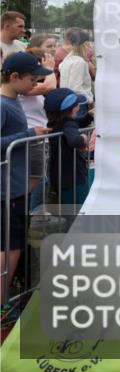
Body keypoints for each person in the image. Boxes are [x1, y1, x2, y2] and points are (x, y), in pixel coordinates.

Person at [1, 52, 52, 319]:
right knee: (9, 247)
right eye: (32, 79)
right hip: (6, 189)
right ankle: (2, 305)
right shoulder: (2, 105)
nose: (35, 84)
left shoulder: (12, 101)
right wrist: (28, 135)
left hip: (15, 187)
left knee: (13, 245)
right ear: (14, 77)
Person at [20, 47, 57, 210]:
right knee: (38, 179)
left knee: (41, 179)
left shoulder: (31, 86)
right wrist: (49, 70)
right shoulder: (23, 88)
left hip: (38, 139)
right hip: (32, 140)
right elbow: (49, 87)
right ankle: (32, 215)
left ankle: (32, 214)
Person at [44, 88, 93, 206]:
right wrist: (83, 139)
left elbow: (74, 123)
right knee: (78, 212)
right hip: (74, 179)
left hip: (60, 178)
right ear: (71, 108)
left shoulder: (55, 123)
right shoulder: (68, 123)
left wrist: (89, 116)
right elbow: (74, 139)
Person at [58, 28, 94, 107]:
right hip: (80, 103)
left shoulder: (67, 59)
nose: (90, 48)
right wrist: (90, 100)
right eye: (88, 44)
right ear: (84, 45)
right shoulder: (79, 62)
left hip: (68, 101)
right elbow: (76, 89)